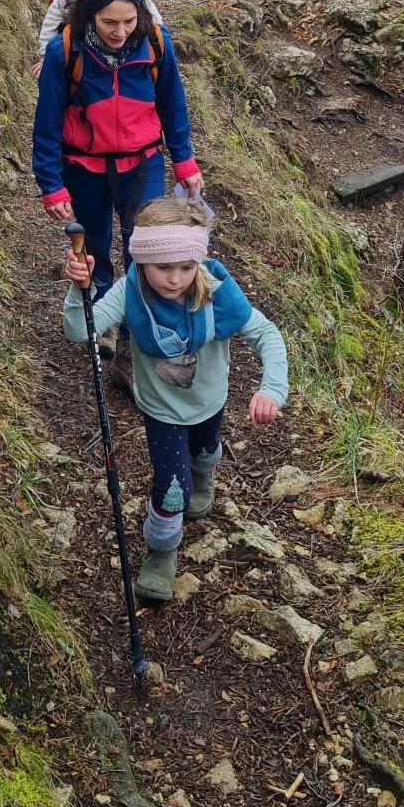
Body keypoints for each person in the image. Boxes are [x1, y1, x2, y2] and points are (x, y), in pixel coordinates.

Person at [62, 196, 288, 603]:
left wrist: (271, 388)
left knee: (205, 447)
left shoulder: (215, 290)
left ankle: (205, 475)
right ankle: (161, 554)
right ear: (142, 260)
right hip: (161, 409)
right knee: (171, 490)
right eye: (163, 267)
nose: (175, 278)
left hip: (211, 399)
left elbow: (266, 335)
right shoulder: (130, 292)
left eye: (186, 267)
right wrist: (81, 289)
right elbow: (82, 330)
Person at [32, 0, 202, 384]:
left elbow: (173, 106)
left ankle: (133, 341)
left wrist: (184, 162)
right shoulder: (64, 51)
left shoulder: (156, 44)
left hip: (142, 163)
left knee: (144, 250)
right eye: (110, 22)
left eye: (128, 21)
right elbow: (47, 122)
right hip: (84, 166)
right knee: (94, 248)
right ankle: (105, 316)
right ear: (90, 15)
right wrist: (50, 184)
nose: (120, 31)